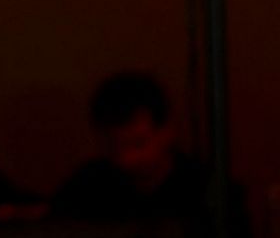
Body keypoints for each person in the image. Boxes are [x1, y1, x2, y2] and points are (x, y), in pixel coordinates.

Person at [52, 71, 249, 237]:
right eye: (112, 146)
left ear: (167, 131)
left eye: (138, 144)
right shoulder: (87, 187)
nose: (126, 158)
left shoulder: (209, 193)